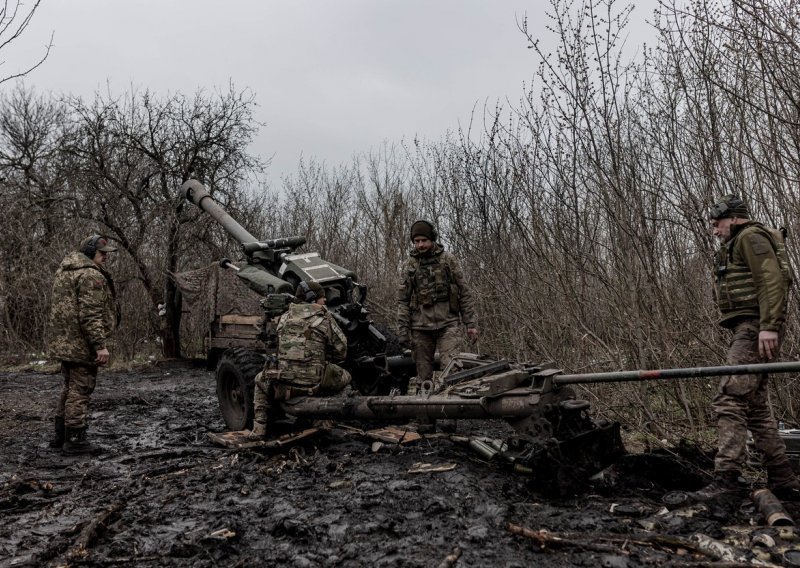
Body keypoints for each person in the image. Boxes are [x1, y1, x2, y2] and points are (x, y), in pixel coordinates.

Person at [694, 195, 800, 501]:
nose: (714, 230)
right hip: (751, 327)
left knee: (729, 398)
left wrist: (768, 326)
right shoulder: (739, 240)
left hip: (754, 328)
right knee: (755, 408)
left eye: (718, 224)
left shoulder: (751, 236)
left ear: (735, 218)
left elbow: (772, 279)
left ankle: (727, 478)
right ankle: (783, 477)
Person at [249, 281, 351, 437]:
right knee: (345, 379)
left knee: (259, 381)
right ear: (312, 298)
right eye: (322, 297)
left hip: (284, 387)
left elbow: (276, 347)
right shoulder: (325, 319)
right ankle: (325, 420)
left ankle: (259, 427)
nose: (325, 301)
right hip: (315, 385)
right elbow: (342, 351)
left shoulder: (283, 318)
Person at [48, 234, 118, 454]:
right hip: (81, 343)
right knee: (81, 389)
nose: (105, 257)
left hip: (64, 342)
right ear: (90, 252)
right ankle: (75, 439)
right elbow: (90, 314)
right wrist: (100, 345)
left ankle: (61, 436)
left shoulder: (65, 271)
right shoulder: (89, 275)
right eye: (101, 253)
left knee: (68, 389)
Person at [397, 220, 478, 390]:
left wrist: (470, 324)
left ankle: (452, 412)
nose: (420, 245)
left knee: (452, 372)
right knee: (423, 377)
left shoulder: (448, 260)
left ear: (432, 239)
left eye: (424, 240)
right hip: (420, 327)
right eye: (416, 241)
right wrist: (403, 330)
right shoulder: (409, 265)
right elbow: (403, 300)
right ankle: (424, 415)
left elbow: (464, 292)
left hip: (448, 323)